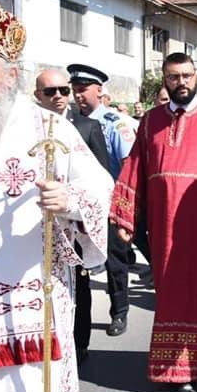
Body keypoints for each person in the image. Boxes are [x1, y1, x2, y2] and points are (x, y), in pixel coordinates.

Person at [0, 2, 112, 392]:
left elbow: (102, 192)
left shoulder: (50, 130)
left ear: (11, 76)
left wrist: (69, 200)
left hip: (28, 314)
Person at [110, 52, 197, 392]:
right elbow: (134, 168)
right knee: (168, 293)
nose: (181, 82)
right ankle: (193, 344)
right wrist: (126, 216)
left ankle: (185, 374)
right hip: (161, 225)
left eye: (187, 75)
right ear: (164, 80)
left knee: (193, 291)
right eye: (174, 76)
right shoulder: (150, 121)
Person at [33, 69, 110, 362]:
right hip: (33, 230)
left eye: (63, 91)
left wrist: (77, 204)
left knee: (80, 284)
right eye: (50, 91)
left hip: (73, 225)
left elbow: (100, 179)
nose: (58, 96)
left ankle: (79, 343)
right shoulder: (24, 130)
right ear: (37, 95)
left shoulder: (86, 126)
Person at [69, 63, 137, 336]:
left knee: (115, 261)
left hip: (110, 202)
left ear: (99, 89)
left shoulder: (115, 123)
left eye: (83, 89)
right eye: (75, 89)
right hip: (77, 204)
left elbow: (128, 165)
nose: (78, 95)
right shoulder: (69, 122)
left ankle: (119, 311)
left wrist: (123, 206)